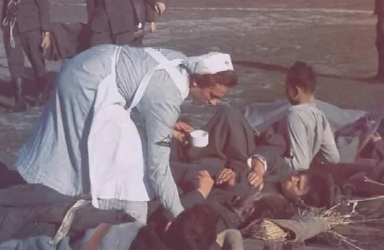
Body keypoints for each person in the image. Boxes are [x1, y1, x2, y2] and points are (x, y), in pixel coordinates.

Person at [14, 44, 237, 224]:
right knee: (110, 154)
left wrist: (167, 125)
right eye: (212, 95)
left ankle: (90, 200)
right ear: (197, 80)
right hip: (88, 82)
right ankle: (85, 205)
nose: (213, 102)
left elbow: (143, 88)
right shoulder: (168, 96)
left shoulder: (182, 61)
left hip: (94, 59)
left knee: (113, 148)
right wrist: (180, 215)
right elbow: (158, 167)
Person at [248, 61, 340, 185]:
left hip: (287, 172)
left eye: (287, 88)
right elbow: (333, 157)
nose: (286, 93)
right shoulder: (320, 116)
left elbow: (301, 164)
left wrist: (277, 160)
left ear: (295, 91)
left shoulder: (295, 114)